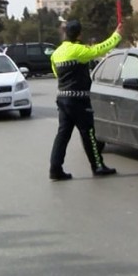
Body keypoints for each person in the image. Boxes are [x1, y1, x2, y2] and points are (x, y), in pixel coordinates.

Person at [49, 19, 123, 181]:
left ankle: (55, 168)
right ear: (80, 34)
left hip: (62, 99)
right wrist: (117, 35)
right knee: (89, 133)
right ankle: (98, 166)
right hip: (79, 101)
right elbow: (101, 49)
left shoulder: (56, 54)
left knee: (62, 135)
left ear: (65, 33)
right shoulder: (79, 50)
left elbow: (56, 74)